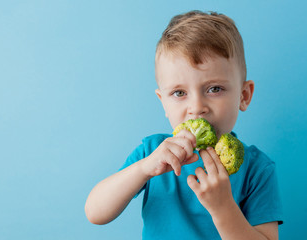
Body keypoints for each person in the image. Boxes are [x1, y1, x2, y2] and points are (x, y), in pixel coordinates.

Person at [85, 10, 283, 239]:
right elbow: (95, 212)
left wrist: (223, 208)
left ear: (244, 96)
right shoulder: (152, 153)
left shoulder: (257, 169)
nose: (197, 107)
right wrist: (144, 169)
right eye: (179, 93)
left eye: (214, 89)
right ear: (163, 103)